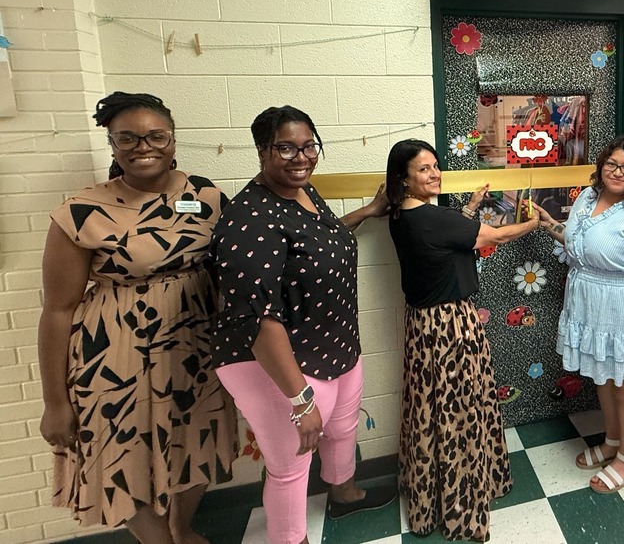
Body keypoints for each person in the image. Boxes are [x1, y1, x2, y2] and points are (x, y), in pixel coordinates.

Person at [38, 92, 238, 543]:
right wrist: (55, 402)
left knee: (197, 439)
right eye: (126, 137)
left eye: (155, 136)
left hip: (195, 345)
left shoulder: (205, 195)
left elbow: (232, 266)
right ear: (111, 143)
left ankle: (182, 529)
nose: (142, 146)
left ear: (172, 140)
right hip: (114, 354)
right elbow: (57, 310)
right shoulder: (81, 211)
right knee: (120, 453)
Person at [211, 106, 394, 544]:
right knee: (290, 466)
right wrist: (299, 400)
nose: (301, 157)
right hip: (277, 361)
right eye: (286, 148)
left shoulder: (305, 193)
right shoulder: (248, 218)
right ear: (262, 150)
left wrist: (367, 211)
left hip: (334, 344)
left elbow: (320, 238)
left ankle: (344, 493)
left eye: (309, 146)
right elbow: (257, 320)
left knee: (343, 429)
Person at [385, 139, 541, 542]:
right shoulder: (434, 220)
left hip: (422, 325)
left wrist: (469, 208)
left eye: (436, 166)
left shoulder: (401, 216)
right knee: (460, 408)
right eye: (424, 169)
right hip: (451, 324)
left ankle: (431, 499)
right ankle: (461, 502)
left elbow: (448, 241)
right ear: (404, 178)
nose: (435, 173)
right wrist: (533, 224)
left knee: (430, 408)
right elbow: (498, 237)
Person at [534, 136, 624, 496]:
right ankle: (613, 441)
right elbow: (579, 243)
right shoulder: (587, 198)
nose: (617, 171)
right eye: (611, 164)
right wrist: (550, 224)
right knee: (603, 379)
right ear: (601, 166)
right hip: (589, 306)